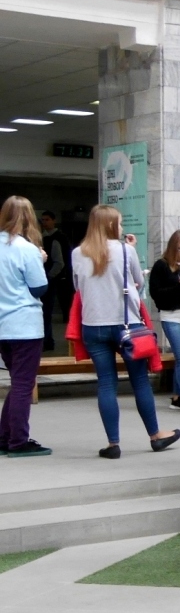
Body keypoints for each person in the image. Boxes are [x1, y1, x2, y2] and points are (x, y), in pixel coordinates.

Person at [71, 205, 180, 459]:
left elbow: (78, 287)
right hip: (127, 326)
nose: (121, 228)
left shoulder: (78, 253)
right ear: (111, 226)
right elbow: (138, 284)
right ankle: (155, 435)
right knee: (139, 381)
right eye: (119, 224)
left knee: (106, 383)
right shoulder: (125, 250)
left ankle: (113, 444)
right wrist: (130, 249)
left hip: (93, 326)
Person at [0, 195, 50, 456]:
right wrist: (40, 261)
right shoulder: (27, 249)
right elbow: (39, 288)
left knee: (17, 382)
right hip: (25, 326)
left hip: (2, 327)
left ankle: (4, 437)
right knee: (23, 384)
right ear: (28, 217)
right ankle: (18, 441)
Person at [150, 230, 180, 413]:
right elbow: (158, 296)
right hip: (171, 316)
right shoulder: (161, 266)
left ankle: (178, 397)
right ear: (173, 247)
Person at [38, 209, 67, 352]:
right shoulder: (41, 238)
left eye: (47, 219)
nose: (45, 223)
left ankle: (47, 341)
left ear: (54, 220)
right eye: (43, 220)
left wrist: (49, 276)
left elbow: (60, 261)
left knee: (47, 311)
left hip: (53, 279)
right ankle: (47, 340)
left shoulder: (57, 238)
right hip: (46, 279)